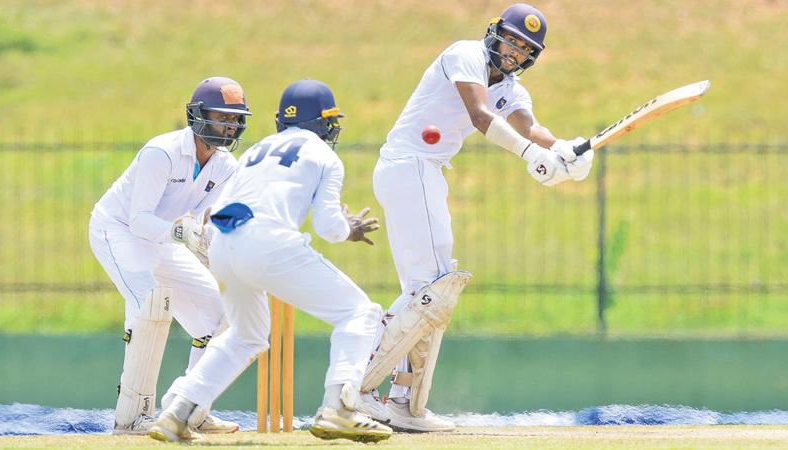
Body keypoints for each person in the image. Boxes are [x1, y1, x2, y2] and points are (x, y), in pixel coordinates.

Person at [358, 4, 595, 432]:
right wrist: (533, 156)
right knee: (430, 290)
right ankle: (355, 387)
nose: (514, 52)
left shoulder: (513, 88)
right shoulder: (464, 54)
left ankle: (402, 402)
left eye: (525, 49)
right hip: (408, 163)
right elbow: (480, 115)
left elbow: (529, 127)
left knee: (430, 292)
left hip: (425, 171)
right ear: (495, 34)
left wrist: (566, 149)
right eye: (511, 40)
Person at [147, 79, 393, 444]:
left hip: (222, 243)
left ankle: (177, 414)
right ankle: (338, 407)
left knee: (246, 337)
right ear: (324, 122)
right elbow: (329, 228)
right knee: (360, 313)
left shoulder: (256, 149)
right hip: (267, 242)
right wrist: (350, 228)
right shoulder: (325, 155)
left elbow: (214, 210)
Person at [88, 76, 251, 435]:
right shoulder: (160, 153)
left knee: (222, 316)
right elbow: (139, 220)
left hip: (165, 241)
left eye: (236, 119)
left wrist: (212, 246)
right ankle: (133, 415)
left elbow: (207, 222)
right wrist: (182, 232)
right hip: (118, 231)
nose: (231, 126)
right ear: (198, 115)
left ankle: (189, 408)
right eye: (223, 117)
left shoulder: (227, 166)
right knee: (150, 305)